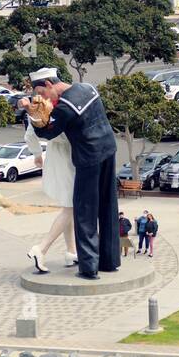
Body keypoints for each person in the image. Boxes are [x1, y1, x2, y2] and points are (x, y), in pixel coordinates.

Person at [23, 67, 121, 280]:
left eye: (42, 93)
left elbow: (46, 132)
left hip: (88, 158)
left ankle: (89, 268)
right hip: (108, 149)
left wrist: (32, 114)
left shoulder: (65, 106)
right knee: (108, 206)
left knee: (84, 212)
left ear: (49, 84)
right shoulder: (88, 88)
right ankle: (110, 260)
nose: (43, 98)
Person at [24, 96, 77, 274]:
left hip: (55, 157)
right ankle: (41, 248)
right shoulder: (63, 106)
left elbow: (30, 135)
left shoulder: (37, 108)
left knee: (68, 205)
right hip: (70, 157)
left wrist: (37, 153)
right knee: (70, 208)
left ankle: (71, 251)